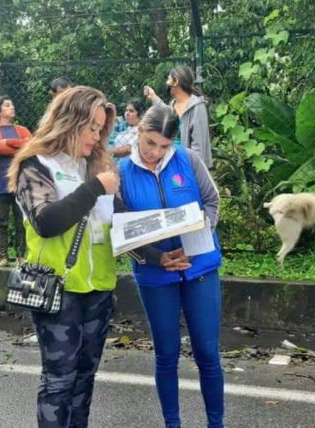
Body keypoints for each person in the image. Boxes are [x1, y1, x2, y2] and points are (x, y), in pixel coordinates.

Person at [8, 86, 120, 428]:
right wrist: (96, 187)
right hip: (57, 289)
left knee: (85, 379)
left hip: (99, 287)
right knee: (59, 380)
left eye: (101, 129)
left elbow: (121, 223)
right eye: (92, 128)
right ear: (70, 122)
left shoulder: (97, 165)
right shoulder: (36, 164)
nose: (97, 136)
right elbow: (46, 221)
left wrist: (159, 255)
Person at [118, 103, 224, 428]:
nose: (156, 152)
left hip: (200, 267)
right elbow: (120, 227)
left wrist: (193, 245)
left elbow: (212, 202)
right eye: (150, 143)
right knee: (166, 353)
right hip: (154, 273)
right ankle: (172, 424)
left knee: (207, 352)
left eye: (164, 146)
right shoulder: (120, 172)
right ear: (139, 132)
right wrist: (155, 257)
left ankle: (215, 424)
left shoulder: (188, 159)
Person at [0, 97, 31, 267]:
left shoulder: (22, 129)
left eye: (12, 104)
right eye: (7, 105)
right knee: (0, 221)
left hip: (21, 181)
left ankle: (21, 256)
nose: (12, 107)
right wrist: (18, 146)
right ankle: (3, 256)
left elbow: (30, 147)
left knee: (21, 221)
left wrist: (6, 143)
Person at [144, 65, 213, 168]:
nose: (166, 83)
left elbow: (199, 146)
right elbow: (166, 114)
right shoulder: (173, 104)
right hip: (173, 166)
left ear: (176, 82)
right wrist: (153, 97)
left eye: (169, 79)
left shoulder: (197, 106)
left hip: (190, 168)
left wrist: (192, 172)